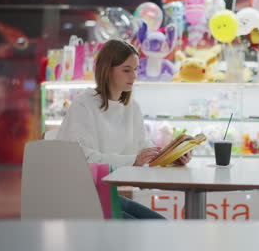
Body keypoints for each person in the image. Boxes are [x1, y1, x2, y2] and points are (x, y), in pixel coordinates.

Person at [56, 39, 192, 219]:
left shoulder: (132, 108)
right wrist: (133, 160)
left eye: (135, 69)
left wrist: (171, 158)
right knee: (149, 231)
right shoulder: (84, 104)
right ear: (107, 70)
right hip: (79, 198)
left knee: (161, 225)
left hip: (106, 196)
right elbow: (83, 159)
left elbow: (142, 151)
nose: (133, 76)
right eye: (126, 70)